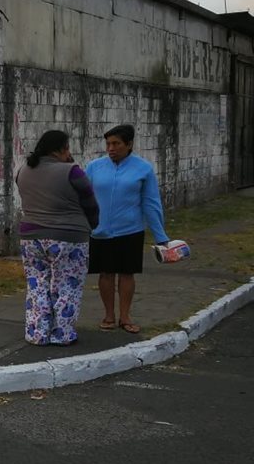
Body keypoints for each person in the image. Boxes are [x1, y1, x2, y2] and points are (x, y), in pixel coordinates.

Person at [16, 130, 100, 345]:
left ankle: (37, 332)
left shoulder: (23, 170)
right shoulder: (72, 172)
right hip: (68, 236)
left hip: (31, 237)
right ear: (62, 149)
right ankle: (62, 334)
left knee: (37, 284)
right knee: (66, 286)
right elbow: (90, 203)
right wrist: (93, 225)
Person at [84, 124, 169, 334]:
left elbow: (151, 203)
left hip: (130, 231)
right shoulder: (94, 167)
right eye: (108, 144)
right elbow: (83, 198)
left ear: (129, 144)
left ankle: (125, 316)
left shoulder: (143, 169)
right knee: (105, 274)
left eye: (116, 144)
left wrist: (161, 236)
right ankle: (108, 315)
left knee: (127, 274)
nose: (111, 148)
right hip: (99, 230)